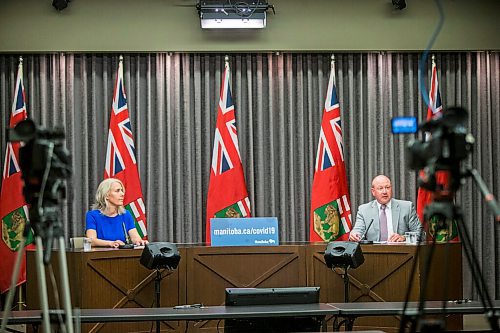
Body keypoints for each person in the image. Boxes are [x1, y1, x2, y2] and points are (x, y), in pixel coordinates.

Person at [349, 175, 422, 243]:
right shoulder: (364, 210)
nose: (384, 192)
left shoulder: (407, 207)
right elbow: (358, 231)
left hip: (401, 253)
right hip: (373, 254)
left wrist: (404, 238)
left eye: (387, 187)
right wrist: (355, 235)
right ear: (373, 192)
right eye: (380, 188)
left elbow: (421, 234)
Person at [86, 178, 148, 248]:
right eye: (117, 191)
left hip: (121, 256)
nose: (122, 194)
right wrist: (111, 243)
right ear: (106, 195)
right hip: (100, 255)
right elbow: (91, 241)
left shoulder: (125, 214)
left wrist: (139, 241)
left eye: (122, 191)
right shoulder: (92, 215)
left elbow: (135, 237)